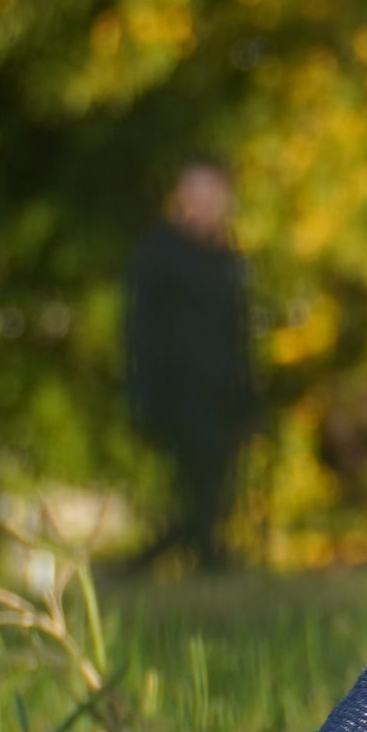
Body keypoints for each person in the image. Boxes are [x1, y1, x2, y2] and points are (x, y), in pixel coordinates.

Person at [125, 159, 256, 571]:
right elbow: (140, 332)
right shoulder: (157, 254)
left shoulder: (227, 259)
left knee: (215, 491)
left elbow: (239, 336)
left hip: (222, 395)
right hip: (179, 395)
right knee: (196, 492)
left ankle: (197, 558)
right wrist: (145, 395)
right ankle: (173, 560)